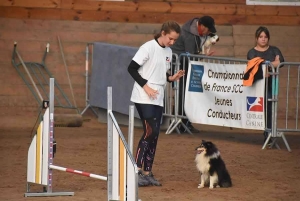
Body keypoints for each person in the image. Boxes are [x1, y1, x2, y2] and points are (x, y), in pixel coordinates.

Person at [127, 21, 185, 187]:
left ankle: (147, 172)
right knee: (149, 131)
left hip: (158, 97)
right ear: (163, 33)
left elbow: (162, 72)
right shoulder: (147, 47)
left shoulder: (168, 51)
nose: (172, 42)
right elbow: (131, 68)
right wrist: (146, 87)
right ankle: (136, 171)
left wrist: (171, 77)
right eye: (170, 39)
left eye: (174, 40)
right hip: (143, 96)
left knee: (156, 134)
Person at [171, 16, 217, 133]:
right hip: (179, 66)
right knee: (182, 93)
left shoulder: (194, 31)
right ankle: (181, 122)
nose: (209, 32)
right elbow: (190, 55)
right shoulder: (189, 35)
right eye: (208, 29)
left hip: (184, 65)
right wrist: (204, 57)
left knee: (184, 94)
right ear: (201, 26)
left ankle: (184, 121)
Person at [247, 26, 284, 145]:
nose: (263, 39)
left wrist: (266, 65)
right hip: (257, 85)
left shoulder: (274, 50)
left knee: (270, 109)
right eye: (261, 37)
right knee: (261, 109)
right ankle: (265, 131)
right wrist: (273, 63)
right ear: (256, 38)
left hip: (271, 84)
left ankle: (268, 134)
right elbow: (255, 66)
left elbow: (281, 61)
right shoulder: (252, 52)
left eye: (265, 37)